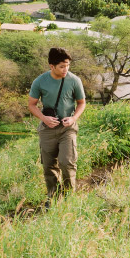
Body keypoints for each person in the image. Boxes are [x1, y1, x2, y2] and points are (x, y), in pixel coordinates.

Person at [27, 47, 87, 196]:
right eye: (62, 66)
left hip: (68, 128)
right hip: (48, 129)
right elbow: (31, 104)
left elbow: (82, 103)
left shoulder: (74, 80)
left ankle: (68, 196)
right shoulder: (40, 81)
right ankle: (53, 196)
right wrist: (44, 118)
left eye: (67, 65)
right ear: (51, 66)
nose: (65, 69)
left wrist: (73, 118)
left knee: (67, 163)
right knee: (49, 166)